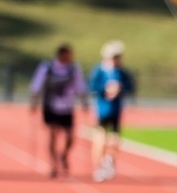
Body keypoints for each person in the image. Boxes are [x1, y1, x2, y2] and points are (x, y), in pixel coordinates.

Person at [30, 44, 86, 178]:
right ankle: (53, 164)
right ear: (61, 54)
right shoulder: (48, 67)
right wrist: (34, 102)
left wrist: (84, 102)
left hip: (67, 107)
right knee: (52, 134)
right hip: (51, 105)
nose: (70, 57)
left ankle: (64, 154)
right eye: (68, 54)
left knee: (70, 136)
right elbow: (37, 84)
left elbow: (80, 86)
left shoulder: (74, 68)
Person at [88, 40, 135, 182]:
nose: (116, 60)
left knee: (115, 140)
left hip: (116, 110)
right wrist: (106, 89)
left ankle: (109, 160)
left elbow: (130, 87)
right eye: (114, 57)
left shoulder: (122, 72)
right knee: (100, 139)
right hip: (102, 110)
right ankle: (98, 166)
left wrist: (120, 89)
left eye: (118, 57)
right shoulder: (99, 70)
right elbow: (92, 86)